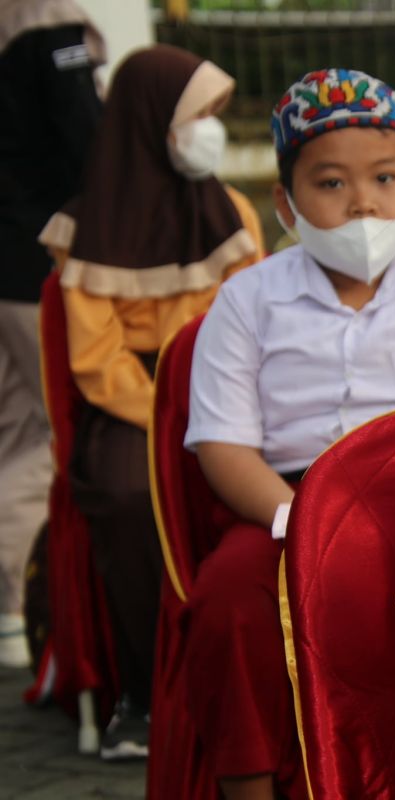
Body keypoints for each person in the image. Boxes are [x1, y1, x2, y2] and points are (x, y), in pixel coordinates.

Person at [182, 68, 395, 800]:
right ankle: (252, 783)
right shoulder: (247, 300)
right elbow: (224, 443)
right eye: (330, 185)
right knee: (229, 593)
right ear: (284, 202)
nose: (363, 203)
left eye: (385, 177)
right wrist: (299, 520)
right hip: (285, 506)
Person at [38, 44, 263, 758]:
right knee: (131, 495)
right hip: (132, 405)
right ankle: (140, 692)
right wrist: (166, 412)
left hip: (225, 389)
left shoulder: (232, 211)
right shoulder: (83, 230)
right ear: (150, 122)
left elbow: (256, 315)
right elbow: (94, 358)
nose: (211, 131)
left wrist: (213, 403)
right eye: (198, 115)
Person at [0, 0, 104, 669]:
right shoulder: (46, 24)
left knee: (12, 428)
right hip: (39, 262)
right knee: (48, 432)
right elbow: (87, 145)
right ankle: (17, 609)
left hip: (6, 262)